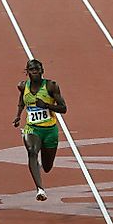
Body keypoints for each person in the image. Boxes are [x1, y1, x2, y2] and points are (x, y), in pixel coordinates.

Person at [12, 59, 67, 201]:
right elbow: (22, 101)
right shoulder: (23, 86)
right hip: (32, 128)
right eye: (31, 70)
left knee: (47, 167)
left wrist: (47, 105)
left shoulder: (51, 86)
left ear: (42, 71)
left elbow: (63, 108)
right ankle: (40, 189)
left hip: (49, 130)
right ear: (27, 72)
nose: (34, 72)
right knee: (32, 151)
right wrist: (18, 116)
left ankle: (39, 167)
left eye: (37, 70)